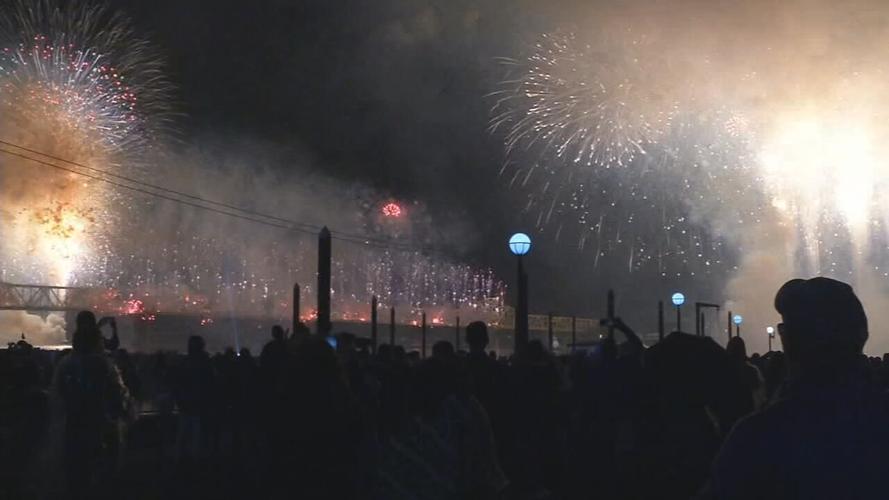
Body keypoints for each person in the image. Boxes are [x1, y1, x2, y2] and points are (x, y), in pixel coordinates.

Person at [709, 277, 889, 499]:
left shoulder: (758, 438)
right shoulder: (877, 419)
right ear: (862, 334)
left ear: (791, 341)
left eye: (785, 328)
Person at [54, 311, 131, 499]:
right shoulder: (103, 366)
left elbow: (58, 395)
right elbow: (117, 397)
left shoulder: (66, 364)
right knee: (101, 469)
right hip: (98, 423)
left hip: (74, 423)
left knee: (76, 471)